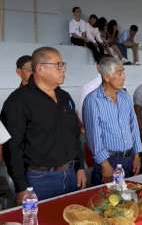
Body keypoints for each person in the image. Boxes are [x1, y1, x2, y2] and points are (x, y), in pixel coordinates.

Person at [0, 47, 87, 203]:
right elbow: (12, 147)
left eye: (63, 65)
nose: (63, 70)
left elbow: (74, 136)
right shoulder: (18, 101)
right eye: (58, 65)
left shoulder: (64, 96)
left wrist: (80, 166)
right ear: (39, 68)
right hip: (40, 180)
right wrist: (21, 187)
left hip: (71, 174)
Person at [83, 58, 142, 186]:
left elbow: (134, 125)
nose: (124, 77)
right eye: (119, 73)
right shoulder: (93, 100)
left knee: (129, 199)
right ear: (107, 77)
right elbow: (94, 136)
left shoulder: (124, 96)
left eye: (123, 73)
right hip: (109, 161)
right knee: (108, 202)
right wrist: (105, 164)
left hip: (130, 159)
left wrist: (137, 155)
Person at [78, 54, 114, 124]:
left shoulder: (120, 86)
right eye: (106, 65)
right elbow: (82, 113)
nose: (110, 68)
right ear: (98, 67)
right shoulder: (90, 87)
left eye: (112, 65)